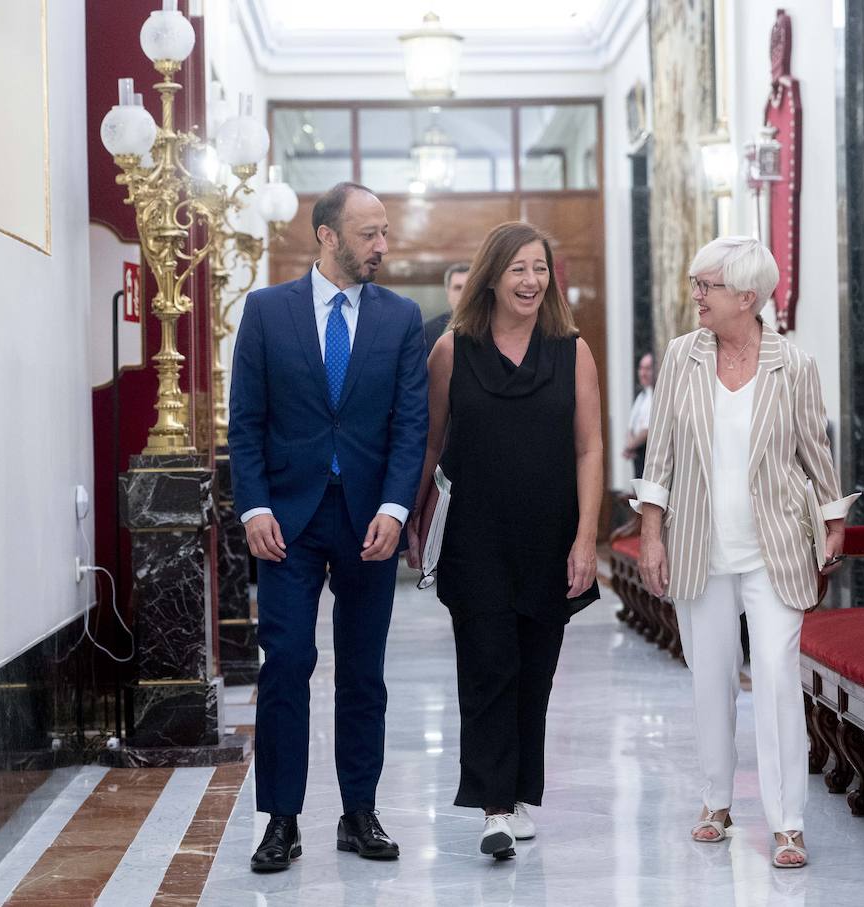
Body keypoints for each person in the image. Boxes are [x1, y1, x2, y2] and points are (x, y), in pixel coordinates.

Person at [630, 237, 857, 868]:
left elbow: (816, 452)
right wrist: (652, 533)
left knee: (780, 679)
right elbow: (663, 454)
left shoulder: (795, 365)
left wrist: (833, 521)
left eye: (706, 286)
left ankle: (787, 822)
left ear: (747, 298)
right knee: (711, 679)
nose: (695, 296)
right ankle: (716, 801)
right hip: (700, 544)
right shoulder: (682, 357)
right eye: (696, 284)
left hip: (775, 546)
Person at [228, 181, 428, 873]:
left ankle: (359, 810)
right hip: (288, 520)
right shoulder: (266, 311)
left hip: (369, 519)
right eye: (369, 232)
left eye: (384, 232)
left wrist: (396, 508)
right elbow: (246, 422)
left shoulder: (400, 318)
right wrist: (252, 507)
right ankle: (280, 820)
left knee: (363, 672)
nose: (382, 244)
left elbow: (411, 425)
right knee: (286, 664)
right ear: (327, 235)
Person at [407, 221, 602, 861]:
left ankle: (518, 794)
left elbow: (590, 447)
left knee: (535, 675)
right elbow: (432, 445)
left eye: (539, 269)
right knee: (488, 667)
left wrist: (586, 539)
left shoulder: (572, 350)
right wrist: (414, 522)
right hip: (475, 539)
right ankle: (493, 807)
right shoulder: (451, 352)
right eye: (518, 268)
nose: (530, 281)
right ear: (491, 275)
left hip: (549, 538)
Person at [423, 262, 470, 355]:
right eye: (458, 288)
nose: (464, 294)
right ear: (447, 291)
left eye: (468, 288)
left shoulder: (492, 326)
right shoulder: (428, 330)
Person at [622, 351, 655, 478]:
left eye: (647, 369)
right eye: (641, 368)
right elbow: (631, 427)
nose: (643, 373)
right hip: (637, 455)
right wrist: (629, 446)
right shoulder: (641, 397)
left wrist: (630, 446)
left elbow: (647, 429)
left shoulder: (655, 395)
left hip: (647, 456)